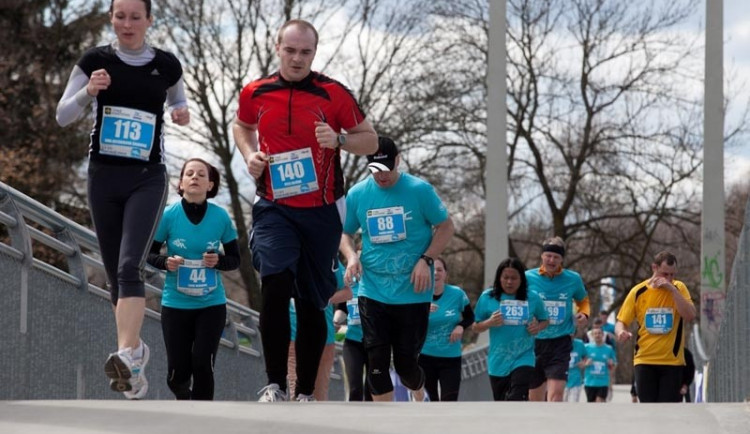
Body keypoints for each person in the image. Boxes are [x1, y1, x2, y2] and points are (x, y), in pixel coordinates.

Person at [233, 19, 377, 402]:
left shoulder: (334, 94)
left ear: (314, 53)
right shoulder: (255, 92)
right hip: (274, 207)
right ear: (277, 48)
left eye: (305, 52)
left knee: (315, 300)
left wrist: (340, 138)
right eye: (290, 50)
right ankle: (275, 384)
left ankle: (305, 393)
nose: (297, 58)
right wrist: (250, 155)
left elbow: (371, 139)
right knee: (276, 284)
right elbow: (242, 126)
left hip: (321, 209)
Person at [56, 0, 190, 399]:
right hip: (103, 177)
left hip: (147, 177)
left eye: (136, 17)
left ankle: (127, 354)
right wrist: (88, 93)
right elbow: (63, 115)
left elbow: (178, 102)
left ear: (150, 20)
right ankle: (135, 357)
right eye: (120, 16)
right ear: (111, 19)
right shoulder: (95, 60)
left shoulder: (166, 65)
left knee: (131, 264)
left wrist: (181, 111)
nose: (127, 24)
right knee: (117, 273)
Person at [341, 136, 455, 402]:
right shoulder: (358, 194)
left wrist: (426, 259)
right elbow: (344, 233)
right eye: (375, 170)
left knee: (406, 367)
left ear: (398, 161)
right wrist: (351, 257)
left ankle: (418, 389)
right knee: (377, 362)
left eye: (386, 170)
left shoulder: (419, 190)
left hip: (413, 292)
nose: (381, 177)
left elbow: (446, 226)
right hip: (374, 290)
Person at [146, 158, 239, 400]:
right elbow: (149, 253)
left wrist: (218, 260)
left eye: (201, 174)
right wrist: (166, 262)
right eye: (189, 174)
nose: (195, 177)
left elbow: (235, 259)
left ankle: (202, 420)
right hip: (176, 304)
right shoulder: (168, 215)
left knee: (203, 364)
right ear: (181, 183)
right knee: (177, 373)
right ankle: (184, 401)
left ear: (210, 185)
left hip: (211, 304)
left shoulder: (220, 217)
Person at [615, 251, 696, 403]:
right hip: (645, 360)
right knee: (649, 410)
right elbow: (621, 321)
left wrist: (672, 290)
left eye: (673, 275)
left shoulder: (678, 288)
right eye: (665, 274)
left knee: (668, 411)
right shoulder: (638, 291)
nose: (669, 279)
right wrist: (621, 332)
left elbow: (690, 315)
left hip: (672, 362)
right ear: (654, 268)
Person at [474, 258, 549, 401]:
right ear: (499, 278)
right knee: (502, 403)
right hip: (498, 361)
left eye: (514, 278)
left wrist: (537, 327)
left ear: (522, 279)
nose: (509, 282)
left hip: (524, 357)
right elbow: (475, 327)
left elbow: (545, 320)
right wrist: (489, 322)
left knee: (516, 397)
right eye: (506, 278)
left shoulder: (532, 297)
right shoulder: (487, 297)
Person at [526, 236, 591, 402]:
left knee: (556, 396)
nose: (551, 260)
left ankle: (554, 427)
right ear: (542, 256)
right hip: (533, 342)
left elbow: (583, 300)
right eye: (548, 255)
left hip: (560, 343)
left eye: (556, 257)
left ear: (562, 259)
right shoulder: (527, 277)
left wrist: (584, 314)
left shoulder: (573, 279)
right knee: (535, 399)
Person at [287, 262, 352, 401]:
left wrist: (322, 298)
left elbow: (348, 292)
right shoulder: (286, 253)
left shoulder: (328, 254)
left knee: (319, 394)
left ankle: (317, 420)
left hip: (322, 339)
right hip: (292, 336)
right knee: (295, 392)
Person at [418, 258, 474, 401]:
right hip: (425, 357)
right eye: (432, 269)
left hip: (451, 357)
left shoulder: (457, 294)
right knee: (430, 401)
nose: (435, 273)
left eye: (439, 270)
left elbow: (470, 317)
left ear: (445, 274)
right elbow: (407, 323)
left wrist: (461, 326)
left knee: (450, 400)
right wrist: (421, 311)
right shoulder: (418, 294)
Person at [339, 278, 373, 401]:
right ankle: (355, 418)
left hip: (374, 343)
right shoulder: (349, 282)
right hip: (352, 342)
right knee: (354, 387)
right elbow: (342, 308)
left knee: (372, 388)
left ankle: (372, 419)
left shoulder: (376, 281)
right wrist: (336, 320)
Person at [583, 328, 617, 403]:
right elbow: (580, 362)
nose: (597, 335)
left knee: (600, 402)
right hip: (590, 382)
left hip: (603, 382)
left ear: (602, 335)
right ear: (592, 335)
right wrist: (586, 363)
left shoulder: (609, 349)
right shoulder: (586, 348)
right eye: (595, 333)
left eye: (599, 333)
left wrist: (611, 364)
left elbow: (614, 364)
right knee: (591, 404)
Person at [564, 335, 587, 402]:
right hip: (562, 379)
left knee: (573, 403)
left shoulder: (579, 344)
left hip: (575, 379)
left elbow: (586, 357)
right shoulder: (558, 343)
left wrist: (583, 363)